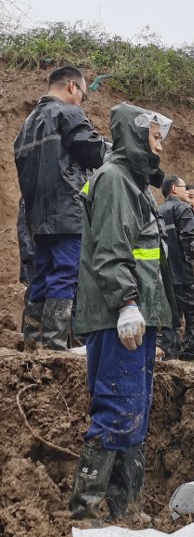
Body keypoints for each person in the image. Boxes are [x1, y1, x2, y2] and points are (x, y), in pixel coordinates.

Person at [70, 103, 178, 523]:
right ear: (134, 136)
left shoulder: (135, 186)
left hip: (137, 315)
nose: (159, 146)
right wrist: (127, 304)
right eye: (154, 137)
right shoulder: (114, 180)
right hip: (122, 315)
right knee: (117, 408)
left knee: (135, 410)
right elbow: (112, 250)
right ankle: (85, 511)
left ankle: (126, 509)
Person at [14, 66, 107, 350]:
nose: (81, 100)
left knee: (41, 274)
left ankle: (33, 343)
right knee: (65, 271)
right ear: (71, 87)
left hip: (37, 217)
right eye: (82, 94)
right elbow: (93, 151)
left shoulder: (28, 123)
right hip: (67, 211)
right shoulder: (68, 113)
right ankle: (54, 345)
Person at [157, 176, 194, 360]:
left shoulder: (157, 210)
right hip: (184, 272)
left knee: (171, 314)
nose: (186, 192)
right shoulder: (182, 208)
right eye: (183, 187)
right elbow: (189, 235)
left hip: (164, 274)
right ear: (173, 189)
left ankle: (169, 352)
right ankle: (192, 353)